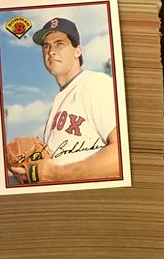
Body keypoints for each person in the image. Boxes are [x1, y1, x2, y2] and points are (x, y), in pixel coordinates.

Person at [10, 17, 121, 184]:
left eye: (59, 43)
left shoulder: (94, 83)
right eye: (46, 46)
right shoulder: (60, 100)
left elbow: (122, 154)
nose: (51, 51)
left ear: (78, 51)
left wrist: (52, 174)